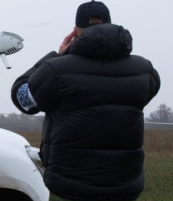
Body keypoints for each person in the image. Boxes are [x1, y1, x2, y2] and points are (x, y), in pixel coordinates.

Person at [11, 1, 160, 200]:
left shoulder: (57, 70)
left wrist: (56, 56)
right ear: (110, 24)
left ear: (75, 32)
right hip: (126, 183)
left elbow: (24, 100)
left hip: (69, 184)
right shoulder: (145, 71)